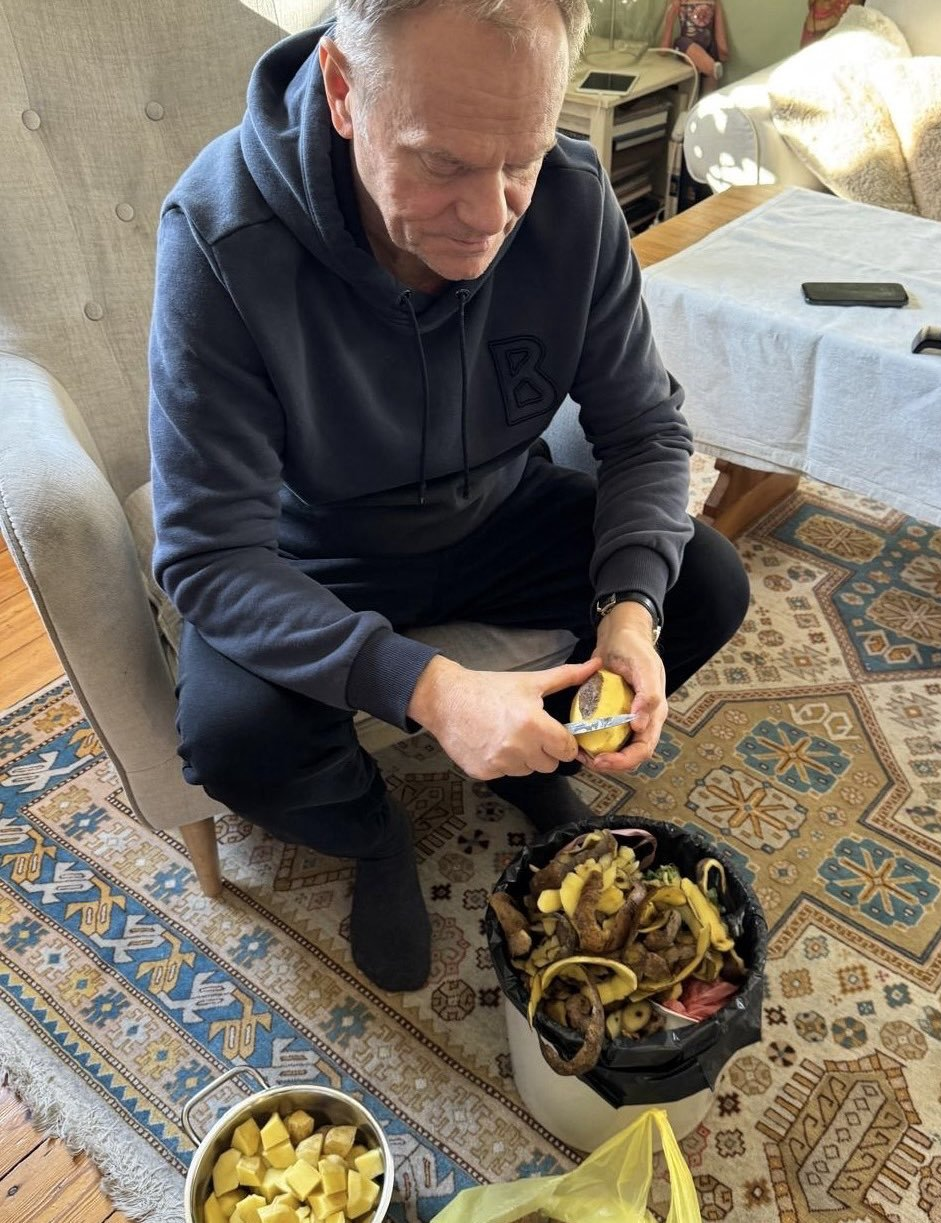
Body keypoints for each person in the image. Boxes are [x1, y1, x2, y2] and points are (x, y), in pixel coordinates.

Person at [149, 0, 750, 994]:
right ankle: (374, 831)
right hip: (317, 553)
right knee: (232, 739)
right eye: (441, 163)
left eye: (521, 158)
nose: (489, 216)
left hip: (498, 513)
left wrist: (629, 617)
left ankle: (543, 760)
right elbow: (210, 555)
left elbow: (644, 428)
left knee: (706, 582)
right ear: (344, 92)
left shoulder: (572, 200)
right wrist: (430, 687)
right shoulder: (220, 235)